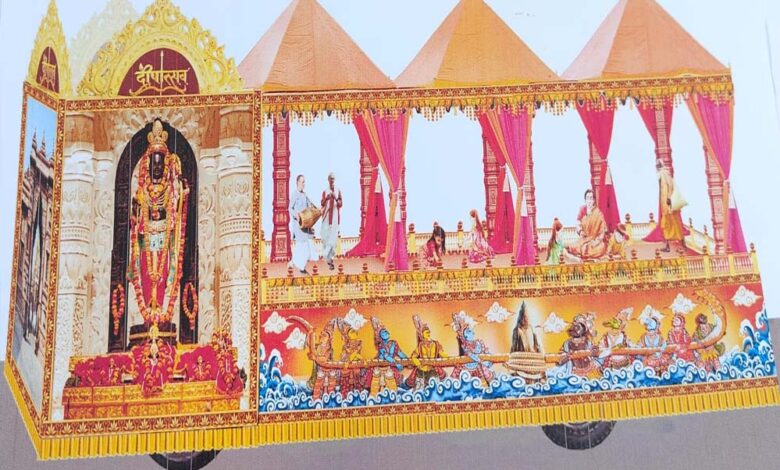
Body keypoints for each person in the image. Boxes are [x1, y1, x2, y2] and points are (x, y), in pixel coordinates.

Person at [450, 313, 494, 385]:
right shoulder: (465, 346)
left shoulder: (479, 343)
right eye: (469, 332)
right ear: (464, 335)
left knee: (484, 385)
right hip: (467, 371)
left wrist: (488, 358)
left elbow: (486, 352)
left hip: (479, 369)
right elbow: (470, 355)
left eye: (472, 331)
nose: (473, 333)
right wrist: (480, 361)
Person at [406, 315, 447, 390]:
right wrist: (417, 363)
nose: (428, 333)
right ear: (422, 334)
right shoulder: (420, 345)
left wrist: (449, 359)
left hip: (433, 369)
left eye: (429, 332)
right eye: (426, 332)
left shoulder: (435, 343)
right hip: (421, 370)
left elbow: (441, 353)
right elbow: (414, 356)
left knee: (436, 389)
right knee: (419, 389)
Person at [368, 317, 407, 396]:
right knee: (376, 385)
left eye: (386, 331)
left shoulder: (393, 343)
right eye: (383, 332)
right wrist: (396, 364)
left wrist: (407, 360)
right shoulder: (381, 346)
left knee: (393, 387)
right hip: (381, 367)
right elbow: (386, 356)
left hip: (391, 366)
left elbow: (399, 352)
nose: (386, 333)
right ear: (380, 337)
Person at [566, 189, 608, 260]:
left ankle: (584, 252)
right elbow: (578, 223)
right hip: (584, 239)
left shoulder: (598, 213)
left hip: (595, 240)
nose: (589, 201)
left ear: (594, 200)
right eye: (587, 198)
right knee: (576, 246)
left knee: (602, 247)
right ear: (585, 200)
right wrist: (580, 231)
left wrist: (596, 242)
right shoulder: (582, 209)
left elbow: (602, 231)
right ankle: (583, 251)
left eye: (591, 198)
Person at [656, 160, 687, 253]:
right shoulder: (664, 173)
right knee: (667, 225)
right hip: (666, 203)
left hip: (668, 204)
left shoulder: (663, 174)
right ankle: (668, 246)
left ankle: (683, 245)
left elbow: (669, 186)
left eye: (657, 165)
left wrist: (668, 198)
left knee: (674, 225)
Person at [289, 175, 317, 274]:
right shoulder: (294, 195)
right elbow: (290, 208)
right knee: (302, 246)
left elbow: (310, 206)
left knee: (306, 248)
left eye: (304, 182)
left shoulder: (305, 195)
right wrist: (296, 215)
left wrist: (316, 210)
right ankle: (301, 267)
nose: (303, 184)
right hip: (298, 225)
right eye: (301, 182)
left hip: (305, 225)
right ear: (297, 183)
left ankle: (294, 263)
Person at [320, 173, 343, 270]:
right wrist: (326, 198)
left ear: (334, 180)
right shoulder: (325, 191)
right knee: (326, 236)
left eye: (333, 179)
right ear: (328, 180)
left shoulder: (338, 191)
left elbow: (340, 204)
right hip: (326, 217)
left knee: (333, 238)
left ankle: (329, 258)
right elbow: (322, 203)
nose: (332, 180)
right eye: (330, 179)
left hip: (334, 218)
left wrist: (335, 197)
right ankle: (328, 258)